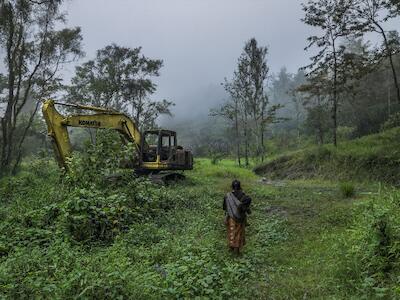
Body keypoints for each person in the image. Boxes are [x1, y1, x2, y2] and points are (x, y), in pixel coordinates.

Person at [223, 179, 252, 254]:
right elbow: (248, 202)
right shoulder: (244, 196)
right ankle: (237, 249)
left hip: (230, 218)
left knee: (231, 232)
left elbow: (225, 208)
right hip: (240, 218)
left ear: (232, 186)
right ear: (240, 186)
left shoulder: (227, 196)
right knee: (238, 233)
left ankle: (231, 247)